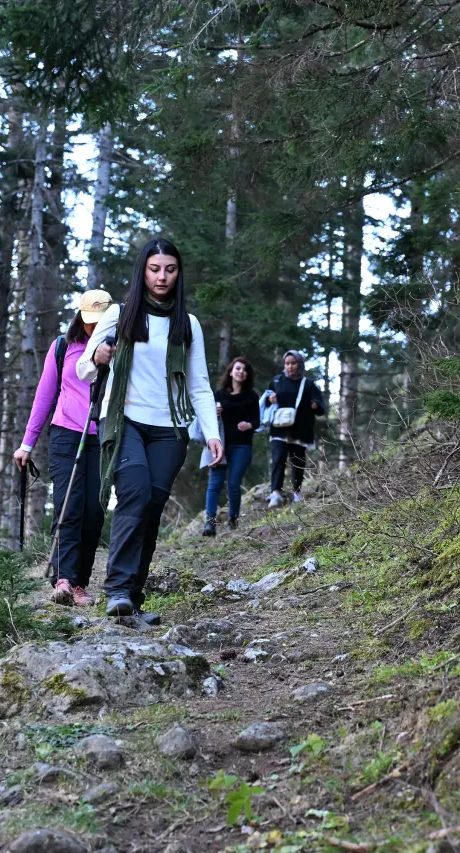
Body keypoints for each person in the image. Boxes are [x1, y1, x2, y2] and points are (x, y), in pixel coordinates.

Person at [77, 238, 222, 621]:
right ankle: (118, 590)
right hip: (124, 421)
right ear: (143, 271)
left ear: (178, 273)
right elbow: (82, 369)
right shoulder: (119, 314)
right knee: (135, 494)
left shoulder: (187, 324)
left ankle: (132, 600)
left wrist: (212, 433)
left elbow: (200, 385)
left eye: (170, 270)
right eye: (155, 269)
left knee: (152, 510)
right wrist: (98, 354)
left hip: (170, 430)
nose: (162, 277)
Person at [13, 289, 113, 606]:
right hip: (66, 434)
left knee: (94, 511)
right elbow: (44, 397)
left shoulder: (121, 349)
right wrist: (27, 444)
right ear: (80, 317)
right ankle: (64, 580)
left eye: (102, 322)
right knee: (69, 506)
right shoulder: (62, 347)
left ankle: (81, 581)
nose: (94, 328)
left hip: (105, 435)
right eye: (90, 321)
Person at [203, 357, 260, 536]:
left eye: (245, 369)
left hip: (242, 446)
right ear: (230, 371)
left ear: (247, 374)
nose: (241, 371)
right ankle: (210, 523)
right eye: (238, 368)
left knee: (233, 484)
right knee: (214, 484)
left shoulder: (252, 396)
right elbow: (206, 418)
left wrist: (249, 425)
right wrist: (214, 411)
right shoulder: (219, 395)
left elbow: (258, 420)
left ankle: (233, 518)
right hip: (220, 445)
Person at [263, 350, 326, 508]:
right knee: (278, 459)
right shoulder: (277, 381)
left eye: (293, 363)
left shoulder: (308, 384)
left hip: (300, 430)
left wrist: (315, 405)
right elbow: (265, 401)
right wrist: (269, 400)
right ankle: (275, 493)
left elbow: (320, 408)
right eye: (287, 363)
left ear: (300, 364)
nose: (290, 366)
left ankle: (297, 492)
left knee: (297, 461)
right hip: (279, 429)